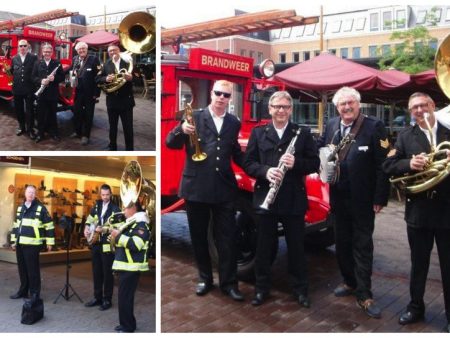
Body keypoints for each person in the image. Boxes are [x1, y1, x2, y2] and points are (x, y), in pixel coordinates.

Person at [165, 79, 245, 301]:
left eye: (226, 95)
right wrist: (181, 130)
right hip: (196, 186)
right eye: (219, 93)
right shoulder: (195, 116)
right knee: (199, 237)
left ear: (231, 98)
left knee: (227, 238)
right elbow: (170, 142)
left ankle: (229, 283)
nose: (222, 98)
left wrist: (259, 168)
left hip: (223, 187)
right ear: (212, 93)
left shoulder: (233, 122)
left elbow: (235, 151)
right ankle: (205, 279)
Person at [317, 86, 390, 318]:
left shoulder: (374, 126)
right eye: (342, 104)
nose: (347, 107)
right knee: (342, 243)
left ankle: (364, 294)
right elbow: (321, 151)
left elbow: (383, 165)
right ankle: (349, 282)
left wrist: (380, 197)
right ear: (336, 107)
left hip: (363, 199)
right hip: (338, 196)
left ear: (358, 104)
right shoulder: (330, 125)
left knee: (362, 246)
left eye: (351, 103)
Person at [243, 91, 319, 307]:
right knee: (264, 247)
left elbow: (314, 163)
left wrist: (296, 163)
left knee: (296, 247)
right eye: (277, 106)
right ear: (270, 109)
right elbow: (248, 163)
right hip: (266, 196)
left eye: (285, 107)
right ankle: (261, 289)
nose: (281, 111)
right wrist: (266, 171)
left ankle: (300, 290)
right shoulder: (258, 133)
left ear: (290, 110)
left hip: (293, 198)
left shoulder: (302, 133)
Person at [383, 92, 450, 332]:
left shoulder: (448, 131)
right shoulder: (404, 136)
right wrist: (409, 164)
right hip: (419, 212)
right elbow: (388, 165)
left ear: (433, 106)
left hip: (447, 211)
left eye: (423, 105)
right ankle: (415, 307)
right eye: (414, 108)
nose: (419, 111)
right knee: (418, 264)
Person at [110, 201, 150, 333]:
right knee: (123, 298)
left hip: (131, 268)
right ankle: (125, 324)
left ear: (133, 209)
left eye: (125, 208)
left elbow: (135, 244)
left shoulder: (141, 225)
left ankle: (128, 326)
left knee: (126, 298)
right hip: (126, 267)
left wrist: (118, 236)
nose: (123, 211)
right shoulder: (132, 223)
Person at [10, 185, 54, 302]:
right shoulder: (20, 208)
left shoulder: (41, 208)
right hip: (20, 244)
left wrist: (50, 242)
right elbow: (16, 226)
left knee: (33, 270)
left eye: (33, 193)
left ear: (35, 194)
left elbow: (49, 225)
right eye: (29, 192)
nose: (30, 194)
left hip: (33, 245)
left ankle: (35, 293)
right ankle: (23, 291)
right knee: (22, 269)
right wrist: (13, 242)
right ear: (25, 194)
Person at [83, 184, 121, 311]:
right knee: (96, 272)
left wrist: (104, 229)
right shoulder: (97, 205)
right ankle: (97, 297)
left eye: (107, 195)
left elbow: (118, 227)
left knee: (107, 274)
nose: (105, 197)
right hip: (96, 244)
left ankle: (107, 299)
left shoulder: (115, 208)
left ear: (111, 194)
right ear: (100, 194)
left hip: (107, 245)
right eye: (103, 195)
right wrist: (87, 227)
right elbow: (90, 218)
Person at [95, 44, 135, 150]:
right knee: (112, 127)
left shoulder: (127, 62)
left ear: (119, 51)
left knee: (128, 128)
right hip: (112, 101)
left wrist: (131, 78)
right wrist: (106, 79)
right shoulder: (106, 64)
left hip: (126, 100)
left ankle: (130, 149)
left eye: (114, 50)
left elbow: (136, 77)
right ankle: (112, 147)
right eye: (110, 51)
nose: (112, 53)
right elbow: (97, 78)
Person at [69, 41, 101, 146]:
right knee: (77, 112)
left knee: (88, 115)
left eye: (83, 49)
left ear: (86, 49)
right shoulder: (75, 59)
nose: (81, 51)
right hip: (78, 92)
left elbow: (98, 77)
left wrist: (97, 93)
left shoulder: (94, 59)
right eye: (79, 49)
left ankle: (86, 135)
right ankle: (77, 132)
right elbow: (71, 71)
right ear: (77, 51)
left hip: (90, 92)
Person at [31, 44, 65, 143]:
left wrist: (55, 79)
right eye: (45, 52)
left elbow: (62, 77)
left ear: (52, 53)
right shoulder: (37, 63)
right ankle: (40, 134)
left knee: (53, 115)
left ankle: (54, 133)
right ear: (42, 52)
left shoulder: (57, 63)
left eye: (49, 52)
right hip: (41, 94)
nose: (47, 53)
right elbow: (33, 77)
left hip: (53, 94)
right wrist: (41, 81)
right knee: (40, 115)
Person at [11, 39, 38, 139]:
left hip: (29, 89)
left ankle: (30, 129)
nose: (22, 48)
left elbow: (36, 72)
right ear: (18, 47)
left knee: (30, 110)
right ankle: (21, 127)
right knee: (19, 110)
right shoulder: (14, 58)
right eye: (20, 46)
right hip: (17, 89)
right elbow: (11, 71)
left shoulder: (33, 57)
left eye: (24, 46)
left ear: (28, 47)